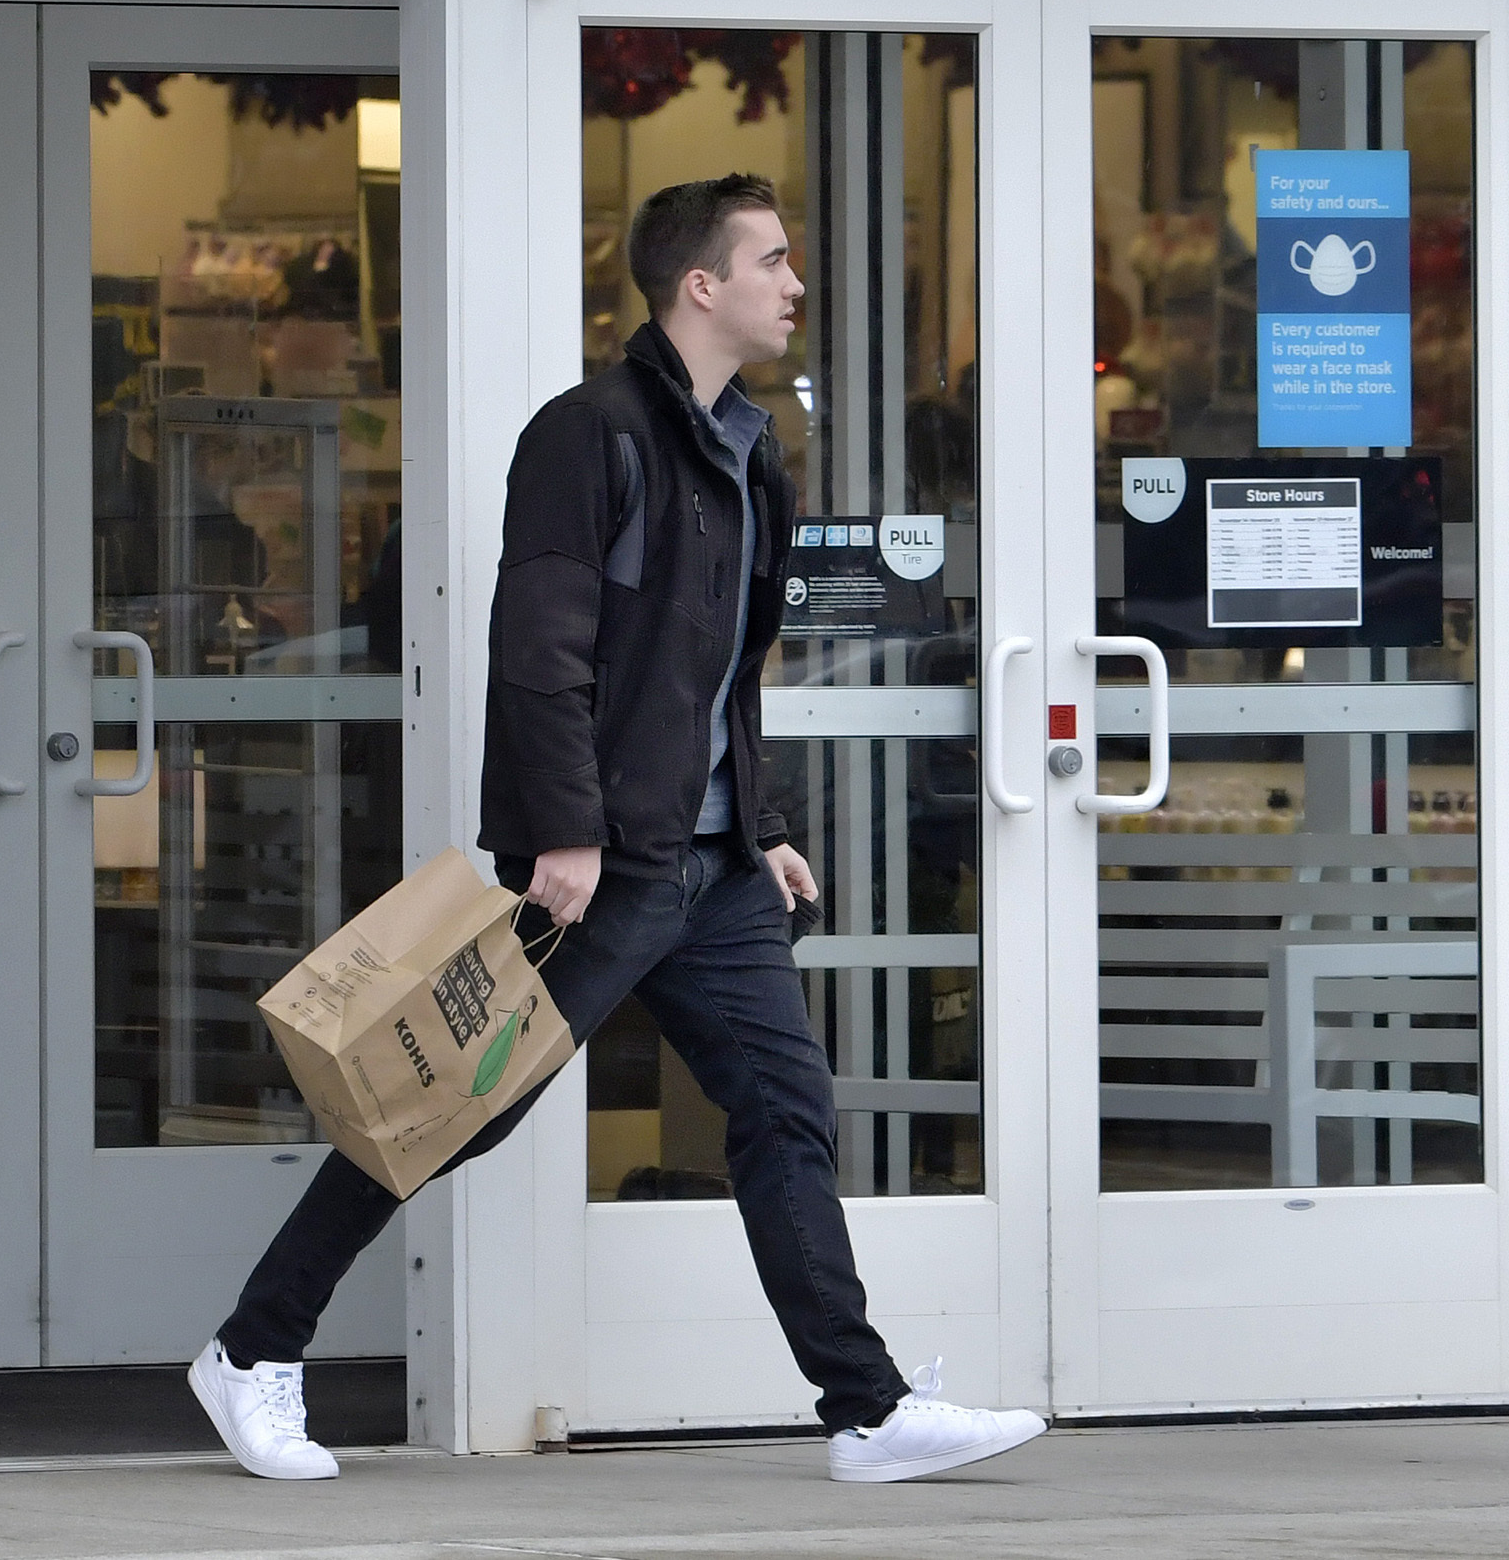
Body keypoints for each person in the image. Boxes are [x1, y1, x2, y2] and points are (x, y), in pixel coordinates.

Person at [187, 174, 1047, 1487]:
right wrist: (566, 834)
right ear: (702, 286)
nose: (792, 284)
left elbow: (726, 665)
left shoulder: (754, 449)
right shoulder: (588, 435)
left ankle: (865, 1411)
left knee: (785, 1111)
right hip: (607, 867)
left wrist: (756, 822)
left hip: (710, 871)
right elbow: (541, 651)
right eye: (771, 261)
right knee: (446, 1105)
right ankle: (254, 1350)